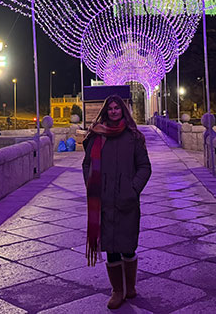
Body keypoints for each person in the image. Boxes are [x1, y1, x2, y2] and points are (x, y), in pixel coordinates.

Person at [82, 95, 151, 310]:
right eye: (110, 108)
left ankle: (130, 287)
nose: (113, 111)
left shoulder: (133, 137)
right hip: (103, 201)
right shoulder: (96, 136)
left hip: (126, 200)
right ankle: (117, 290)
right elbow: (86, 165)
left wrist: (132, 189)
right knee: (111, 247)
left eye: (117, 108)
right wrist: (93, 186)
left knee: (128, 246)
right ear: (106, 111)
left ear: (123, 110)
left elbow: (145, 167)